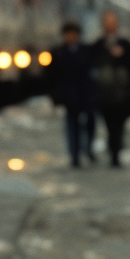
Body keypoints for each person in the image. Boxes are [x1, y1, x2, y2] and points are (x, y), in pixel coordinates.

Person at [90, 10, 130, 167]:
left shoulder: (126, 45)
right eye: (107, 21)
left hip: (122, 95)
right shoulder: (98, 45)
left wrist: (123, 55)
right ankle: (113, 150)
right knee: (109, 124)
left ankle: (115, 153)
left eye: (112, 21)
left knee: (118, 125)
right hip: (103, 95)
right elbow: (90, 65)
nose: (109, 25)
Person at [48, 19, 96, 168]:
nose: (71, 37)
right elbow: (52, 76)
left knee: (89, 123)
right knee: (72, 125)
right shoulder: (58, 52)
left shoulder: (85, 51)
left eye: (73, 34)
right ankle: (75, 155)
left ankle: (87, 147)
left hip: (85, 95)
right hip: (69, 96)